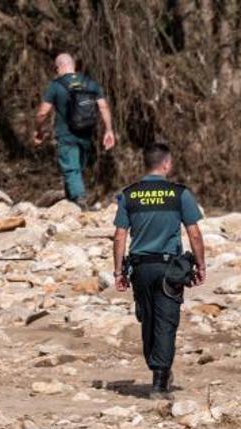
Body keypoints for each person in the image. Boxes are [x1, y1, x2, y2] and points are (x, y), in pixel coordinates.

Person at [112, 143, 206, 400]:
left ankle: (157, 368)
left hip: (140, 269)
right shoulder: (179, 194)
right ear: (166, 164)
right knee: (165, 322)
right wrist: (201, 265)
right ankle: (159, 382)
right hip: (168, 269)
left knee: (148, 319)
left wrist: (118, 272)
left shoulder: (129, 195)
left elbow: (120, 236)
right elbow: (194, 233)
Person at [34, 53, 116, 207]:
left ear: (58, 68)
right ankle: (72, 201)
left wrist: (38, 130)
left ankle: (79, 199)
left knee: (71, 169)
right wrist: (109, 130)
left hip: (66, 135)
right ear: (74, 66)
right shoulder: (90, 83)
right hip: (86, 134)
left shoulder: (56, 85)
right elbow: (103, 106)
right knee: (77, 168)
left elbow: (42, 113)